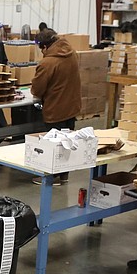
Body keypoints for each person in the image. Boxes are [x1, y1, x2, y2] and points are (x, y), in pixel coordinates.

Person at [30, 28, 81, 184]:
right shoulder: (72, 54)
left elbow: (37, 89)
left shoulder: (48, 62)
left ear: (45, 47)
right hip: (71, 107)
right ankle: (63, 176)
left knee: (54, 145)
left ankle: (52, 177)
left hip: (55, 109)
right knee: (66, 143)